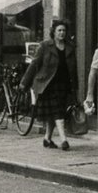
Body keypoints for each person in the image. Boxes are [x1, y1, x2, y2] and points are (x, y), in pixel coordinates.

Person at [21, 19, 77, 150]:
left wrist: (75, 87)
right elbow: (35, 64)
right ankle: (64, 139)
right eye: (59, 30)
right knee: (58, 112)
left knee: (55, 112)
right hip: (47, 84)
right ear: (54, 32)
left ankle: (47, 139)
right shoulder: (45, 46)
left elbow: (74, 69)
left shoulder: (70, 47)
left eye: (64, 30)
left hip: (63, 84)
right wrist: (25, 82)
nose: (62, 33)